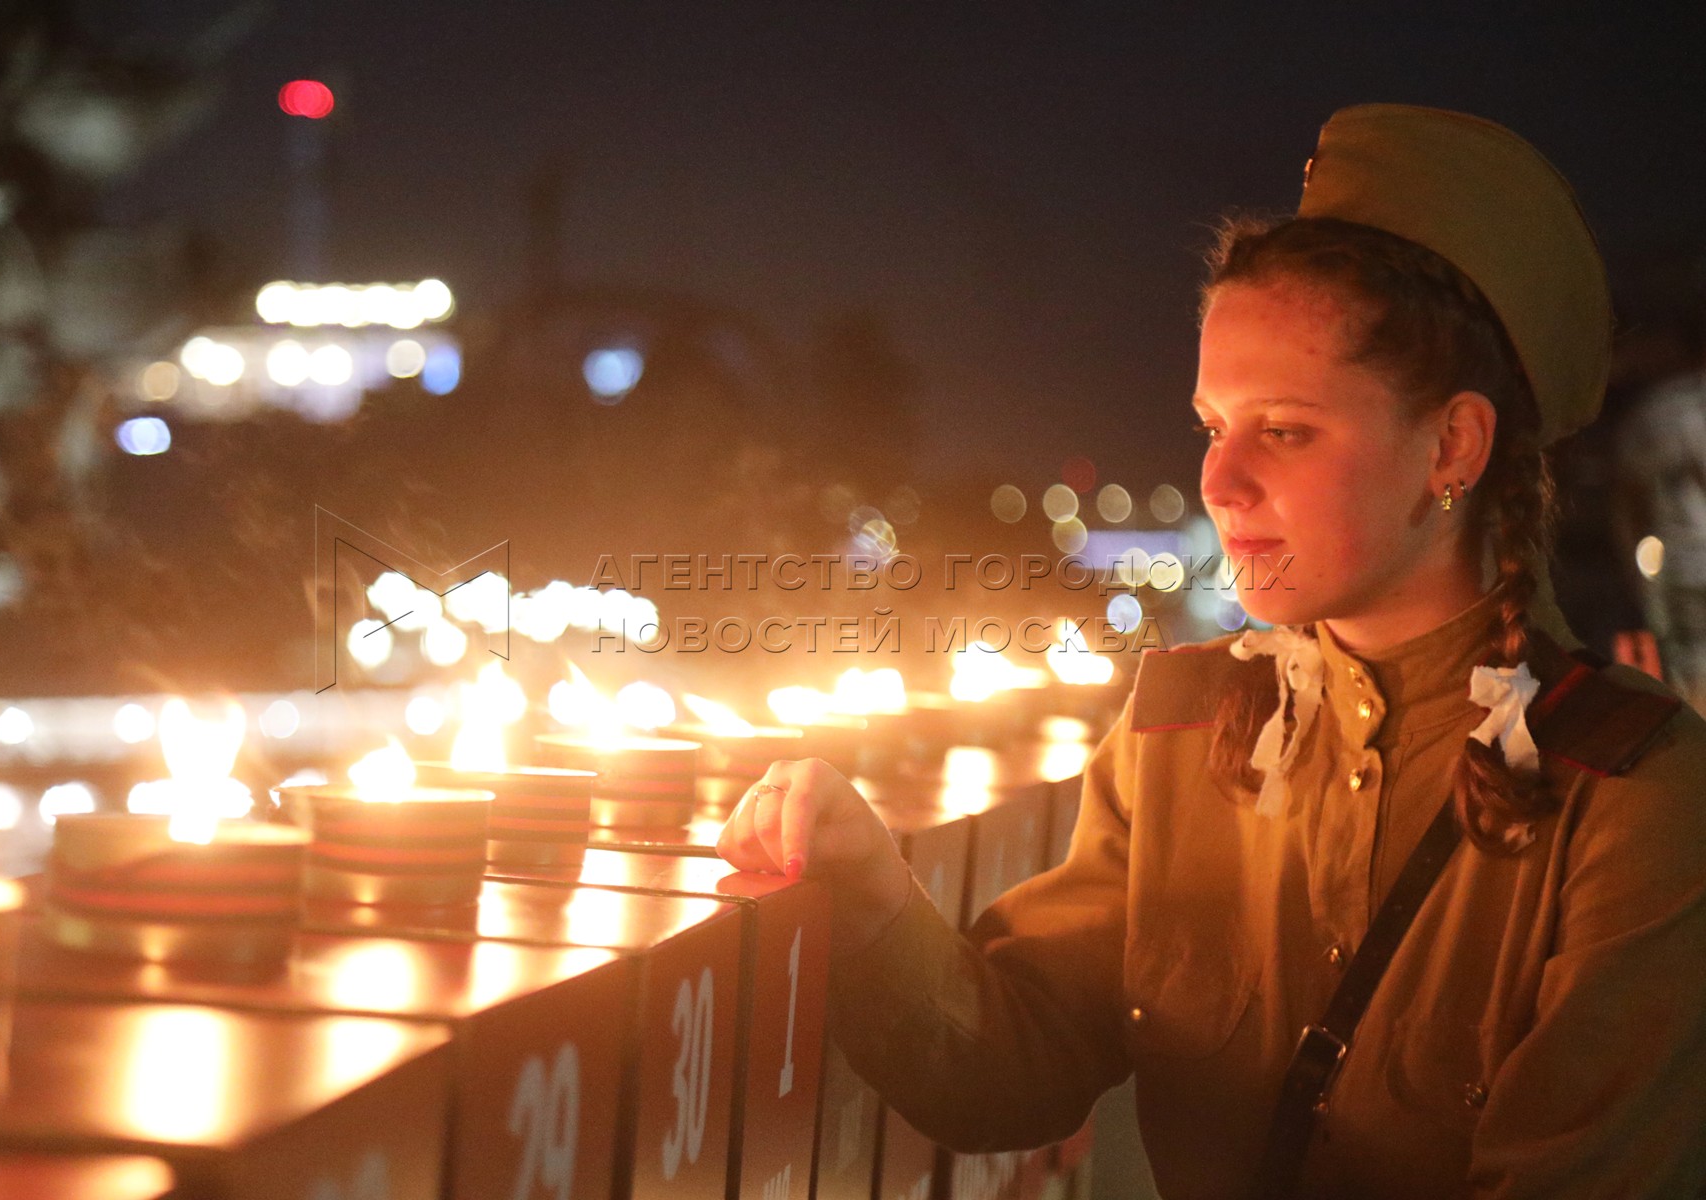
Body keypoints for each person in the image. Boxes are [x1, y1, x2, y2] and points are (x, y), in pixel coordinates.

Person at [717, 104, 1706, 1200]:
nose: (1220, 483)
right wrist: (869, 893)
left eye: (1283, 430)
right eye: (1210, 424)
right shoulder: (1185, 733)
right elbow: (1015, 1067)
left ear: (1452, 446)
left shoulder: (1633, 798)